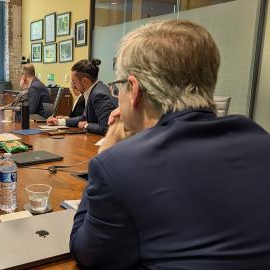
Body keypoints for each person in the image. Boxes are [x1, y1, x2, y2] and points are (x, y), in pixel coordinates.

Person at [70, 20, 270, 269]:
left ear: (134, 89)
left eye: (118, 86)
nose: (116, 95)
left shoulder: (118, 166)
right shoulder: (260, 139)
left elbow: (87, 253)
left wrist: (107, 152)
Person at [46, 59, 117, 135]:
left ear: (85, 81)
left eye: (74, 82)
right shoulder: (93, 90)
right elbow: (84, 117)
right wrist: (59, 122)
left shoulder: (99, 95)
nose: (73, 86)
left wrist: (86, 125)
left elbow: (106, 128)